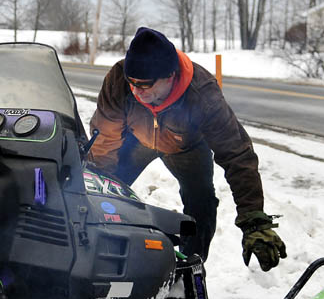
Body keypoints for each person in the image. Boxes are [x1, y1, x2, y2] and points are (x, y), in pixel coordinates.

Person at [88, 26, 286, 271]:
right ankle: (99, 262)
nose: (137, 91)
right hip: (133, 139)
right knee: (102, 193)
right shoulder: (119, 79)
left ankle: (189, 271)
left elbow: (236, 153)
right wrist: (95, 187)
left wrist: (254, 221)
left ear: (170, 76)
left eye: (146, 84)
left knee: (201, 201)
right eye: (133, 83)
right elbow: (104, 138)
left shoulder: (202, 95)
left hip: (186, 146)